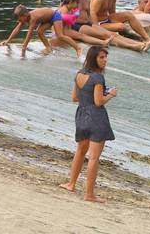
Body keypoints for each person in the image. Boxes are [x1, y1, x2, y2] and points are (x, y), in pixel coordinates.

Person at [60, 46, 116, 203]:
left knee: (80, 151)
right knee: (94, 158)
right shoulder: (98, 78)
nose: (105, 60)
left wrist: (92, 96)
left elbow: (74, 97)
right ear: (93, 59)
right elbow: (99, 102)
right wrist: (110, 94)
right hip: (97, 118)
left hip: (81, 115)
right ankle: (89, 194)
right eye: (101, 58)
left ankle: (71, 184)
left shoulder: (79, 74)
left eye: (105, 57)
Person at [68, 0, 150, 52]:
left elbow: (89, 13)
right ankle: (133, 46)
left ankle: (142, 44)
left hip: (87, 23)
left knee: (112, 34)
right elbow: (62, 13)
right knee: (106, 34)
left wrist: (94, 25)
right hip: (77, 25)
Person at [0, 4, 82, 59]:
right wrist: (8, 40)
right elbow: (16, 29)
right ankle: (48, 47)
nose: (20, 21)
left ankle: (78, 48)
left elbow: (30, 34)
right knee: (39, 31)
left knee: (60, 35)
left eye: (20, 19)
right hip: (47, 19)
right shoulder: (25, 18)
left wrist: (24, 46)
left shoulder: (32, 18)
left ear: (25, 15)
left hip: (55, 15)